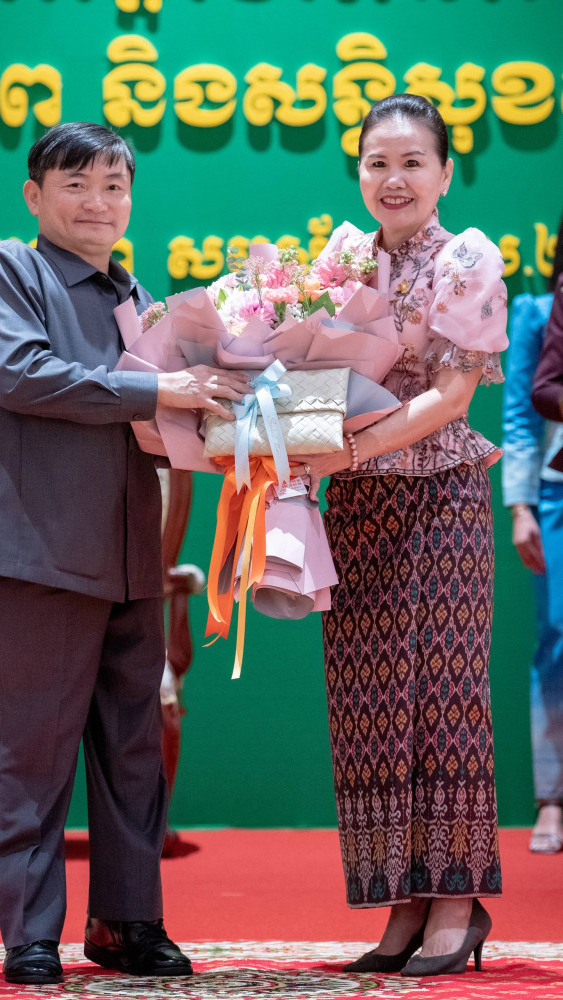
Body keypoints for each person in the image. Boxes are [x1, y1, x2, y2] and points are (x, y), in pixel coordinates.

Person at [0, 121, 249, 986]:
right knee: (34, 750)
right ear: (34, 195)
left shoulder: (136, 295)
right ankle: (30, 935)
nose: (98, 202)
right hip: (43, 548)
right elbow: (23, 375)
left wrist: (248, 412)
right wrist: (161, 388)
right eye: (75, 184)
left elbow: (165, 418)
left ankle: (127, 922)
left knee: (131, 751)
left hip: (129, 552)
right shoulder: (8, 270)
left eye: (113, 186)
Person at [292, 94, 507, 977]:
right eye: (377, 162)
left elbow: (452, 399)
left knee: (444, 697)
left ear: (445, 173)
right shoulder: (342, 260)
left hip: (442, 497)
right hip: (358, 508)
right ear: (359, 173)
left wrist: (347, 450)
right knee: (371, 704)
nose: (394, 178)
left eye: (413, 161)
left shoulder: (468, 258)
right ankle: (402, 903)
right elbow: (304, 368)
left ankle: (457, 900)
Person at [501, 217, 563, 855]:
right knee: (558, 635)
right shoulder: (540, 312)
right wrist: (521, 506)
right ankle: (552, 799)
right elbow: (520, 412)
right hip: (556, 492)